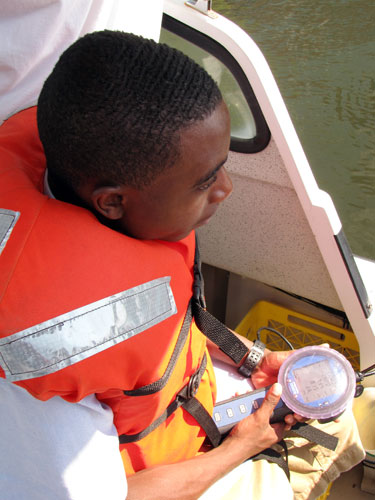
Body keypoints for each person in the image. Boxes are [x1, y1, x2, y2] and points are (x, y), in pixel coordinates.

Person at [0, 30, 364, 500]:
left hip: (189, 405)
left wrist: (248, 358)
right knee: (302, 461)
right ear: (112, 201)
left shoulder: (117, 207)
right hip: (148, 478)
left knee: (336, 408)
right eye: (204, 181)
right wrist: (242, 446)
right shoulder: (38, 357)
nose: (226, 188)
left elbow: (152, 331)